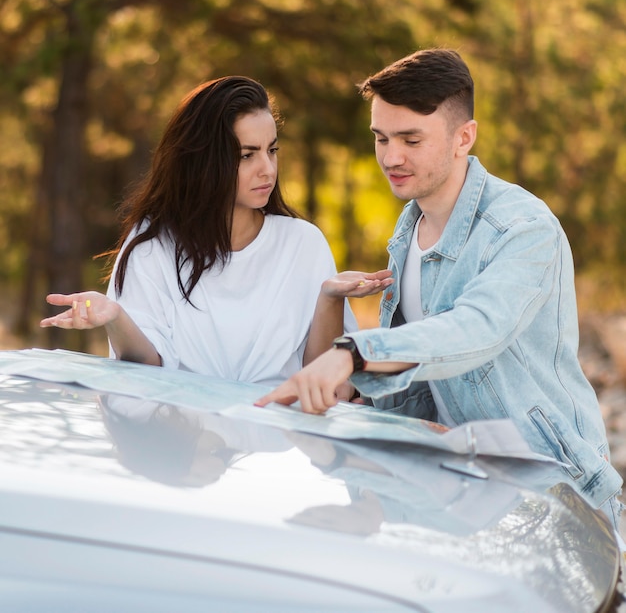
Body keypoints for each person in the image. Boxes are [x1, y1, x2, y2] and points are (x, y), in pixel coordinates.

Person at [255, 49, 623, 526]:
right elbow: (423, 391)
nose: (391, 157)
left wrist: (355, 353)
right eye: (381, 138)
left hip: (552, 498)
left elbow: (474, 330)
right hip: (461, 496)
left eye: (411, 139)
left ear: (462, 137)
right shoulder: (408, 232)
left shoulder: (524, 228)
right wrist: (370, 502)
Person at [40, 76, 392, 387]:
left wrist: (329, 298)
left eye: (272, 150)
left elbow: (329, 388)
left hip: (278, 453)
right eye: (246, 155)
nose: (267, 169)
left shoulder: (303, 244)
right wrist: (115, 317)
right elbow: (146, 373)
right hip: (183, 450)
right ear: (205, 159)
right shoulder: (152, 246)